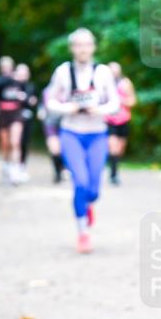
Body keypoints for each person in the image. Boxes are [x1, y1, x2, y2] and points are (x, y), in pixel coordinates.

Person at [44, 28, 120, 253]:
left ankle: (88, 205)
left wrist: (100, 110)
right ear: (72, 48)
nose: (83, 49)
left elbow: (115, 102)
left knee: (93, 189)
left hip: (97, 133)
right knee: (80, 182)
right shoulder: (63, 72)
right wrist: (70, 107)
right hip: (71, 133)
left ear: (93, 47)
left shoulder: (103, 72)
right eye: (78, 45)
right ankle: (83, 232)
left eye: (86, 44)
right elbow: (50, 102)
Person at [0, 56, 28, 184]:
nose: (6, 69)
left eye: (9, 66)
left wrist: (25, 97)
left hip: (16, 114)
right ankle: (6, 165)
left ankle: (16, 169)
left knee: (15, 142)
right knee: (5, 144)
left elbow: (26, 91)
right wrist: (13, 77)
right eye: (4, 67)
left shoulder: (18, 80)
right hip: (3, 114)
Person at [105, 61, 136, 186]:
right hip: (109, 120)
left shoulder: (126, 83)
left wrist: (120, 100)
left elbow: (133, 101)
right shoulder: (104, 84)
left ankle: (114, 167)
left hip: (123, 120)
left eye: (115, 70)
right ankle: (113, 175)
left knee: (120, 148)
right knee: (113, 146)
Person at [15, 63, 38, 181]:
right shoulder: (12, 85)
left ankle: (22, 166)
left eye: (24, 73)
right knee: (15, 142)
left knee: (24, 142)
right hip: (13, 118)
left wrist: (26, 99)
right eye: (20, 73)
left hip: (27, 118)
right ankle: (13, 166)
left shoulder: (31, 86)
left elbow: (33, 101)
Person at [40, 84, 65, 183]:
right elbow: (42, 105)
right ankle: (57, 173)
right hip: (50, 122)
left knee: (64, 148)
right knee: (54, 148)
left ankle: (63, 168)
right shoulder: (47, 91)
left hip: (65, 123)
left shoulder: (68, 89)